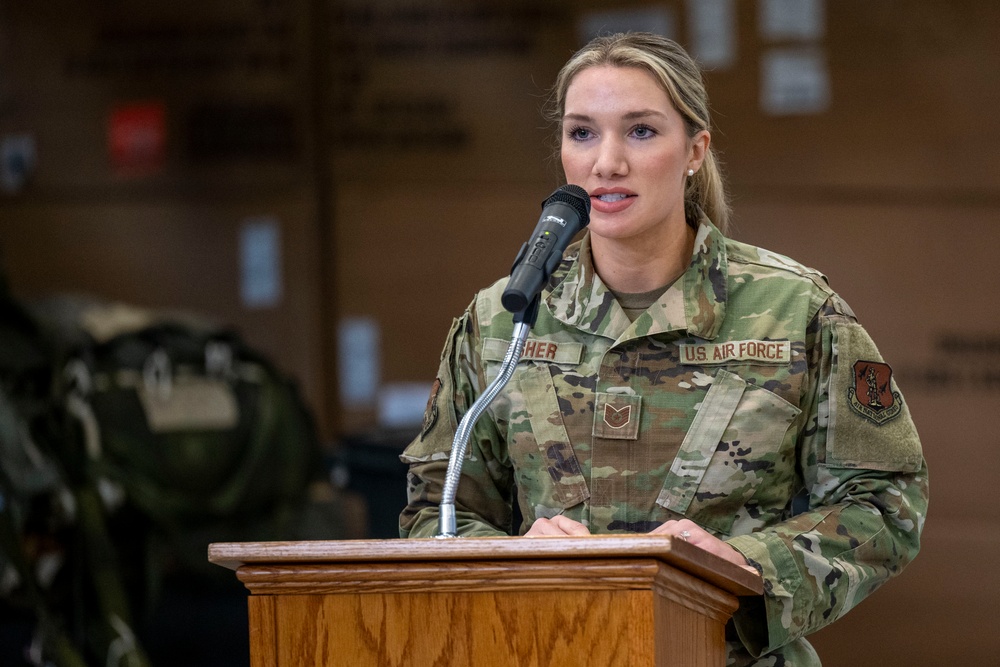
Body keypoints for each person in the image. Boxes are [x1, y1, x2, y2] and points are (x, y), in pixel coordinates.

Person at [399, 32, 928, 666]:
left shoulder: (796, 312)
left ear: (695, 151)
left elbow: (885, 502)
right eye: (582, 133)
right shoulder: (504, 320)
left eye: (641, 131)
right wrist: (515, 560)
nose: (607, 163)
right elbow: (437, 511)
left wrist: (745, 567)